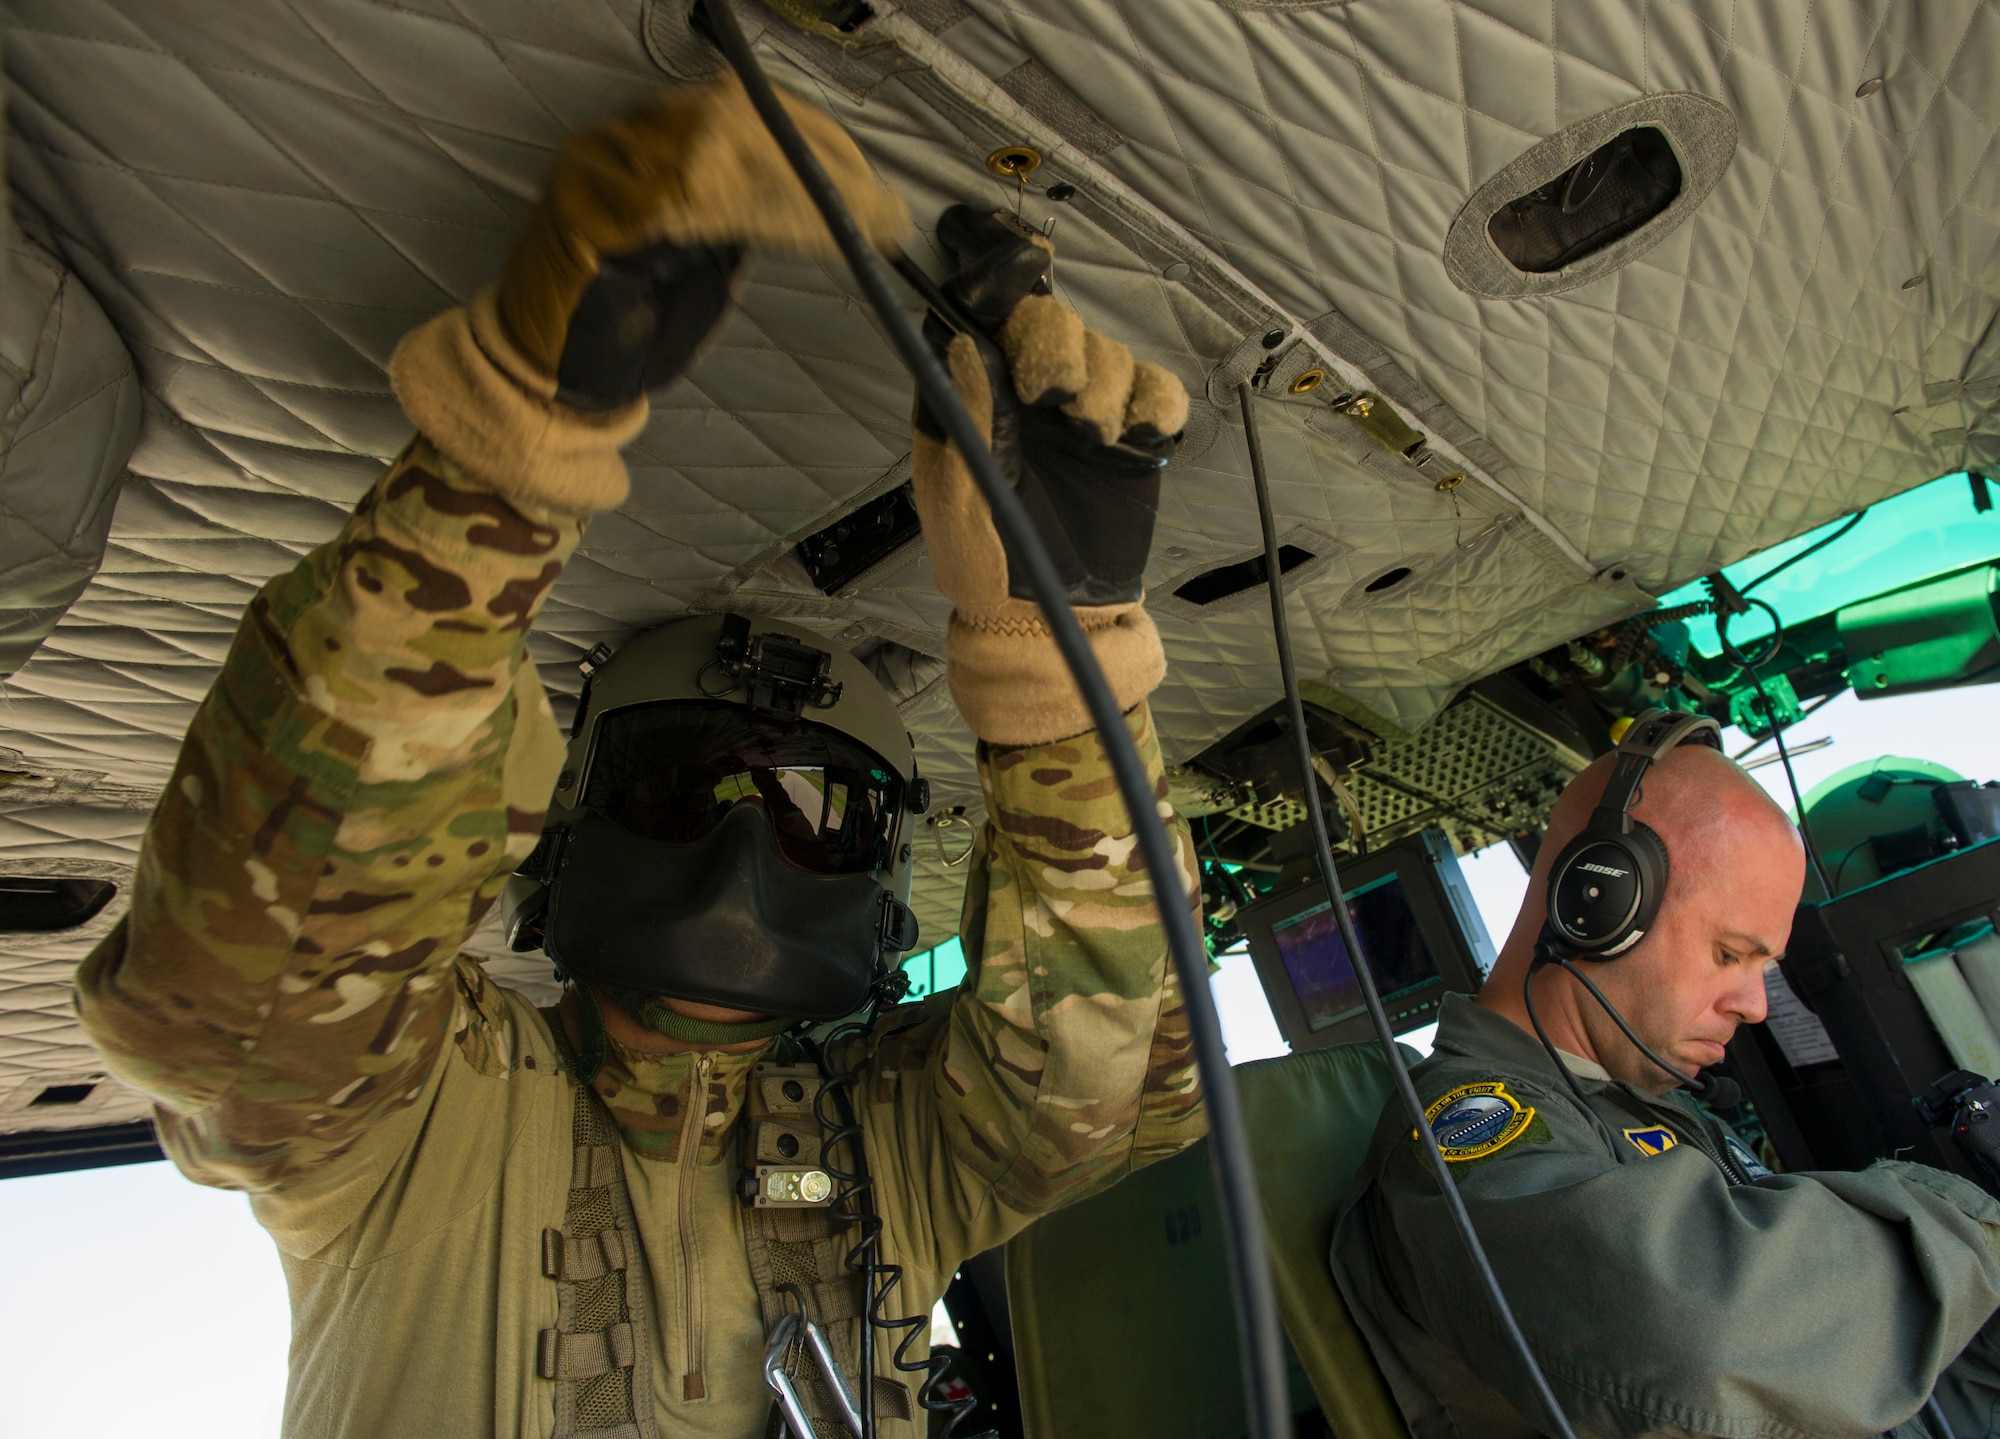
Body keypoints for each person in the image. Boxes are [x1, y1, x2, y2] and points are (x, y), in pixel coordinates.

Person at [73, 77, 1203, 1438]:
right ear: (571, 835)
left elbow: (1121, 1073)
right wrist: (509, 463)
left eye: (808, 806)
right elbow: (246, 983)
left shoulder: (899, 1149)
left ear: (885, 874)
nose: (744, 843)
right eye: (687, 783)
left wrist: (1057, 661)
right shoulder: (419, 1116)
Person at [1332, 722, 2000, 1439]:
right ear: (1598, 904)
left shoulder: (1640, 1101)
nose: (1755, 1004)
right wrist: (1978, 1223)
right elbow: (1707, 1336)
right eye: (1729, 953)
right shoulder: (1469, 1139)